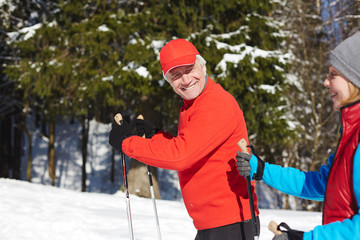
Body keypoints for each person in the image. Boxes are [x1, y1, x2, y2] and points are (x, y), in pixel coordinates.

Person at [109, 39, 260, 239]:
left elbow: (181, 155)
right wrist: (156, 136)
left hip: (231, 222)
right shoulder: (192, 104)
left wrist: (127, 143)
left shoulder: (215, 103)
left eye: (189, 69)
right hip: (215, 222)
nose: (186, 80)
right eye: (176, 75)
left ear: (203, 66)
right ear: (169, 81)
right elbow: (192, 147)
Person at [236, 31, 360, 240]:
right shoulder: (351, 134)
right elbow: (317, 184)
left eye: (334, 74)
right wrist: (262, 169)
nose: (325, 82)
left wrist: (305, 238)